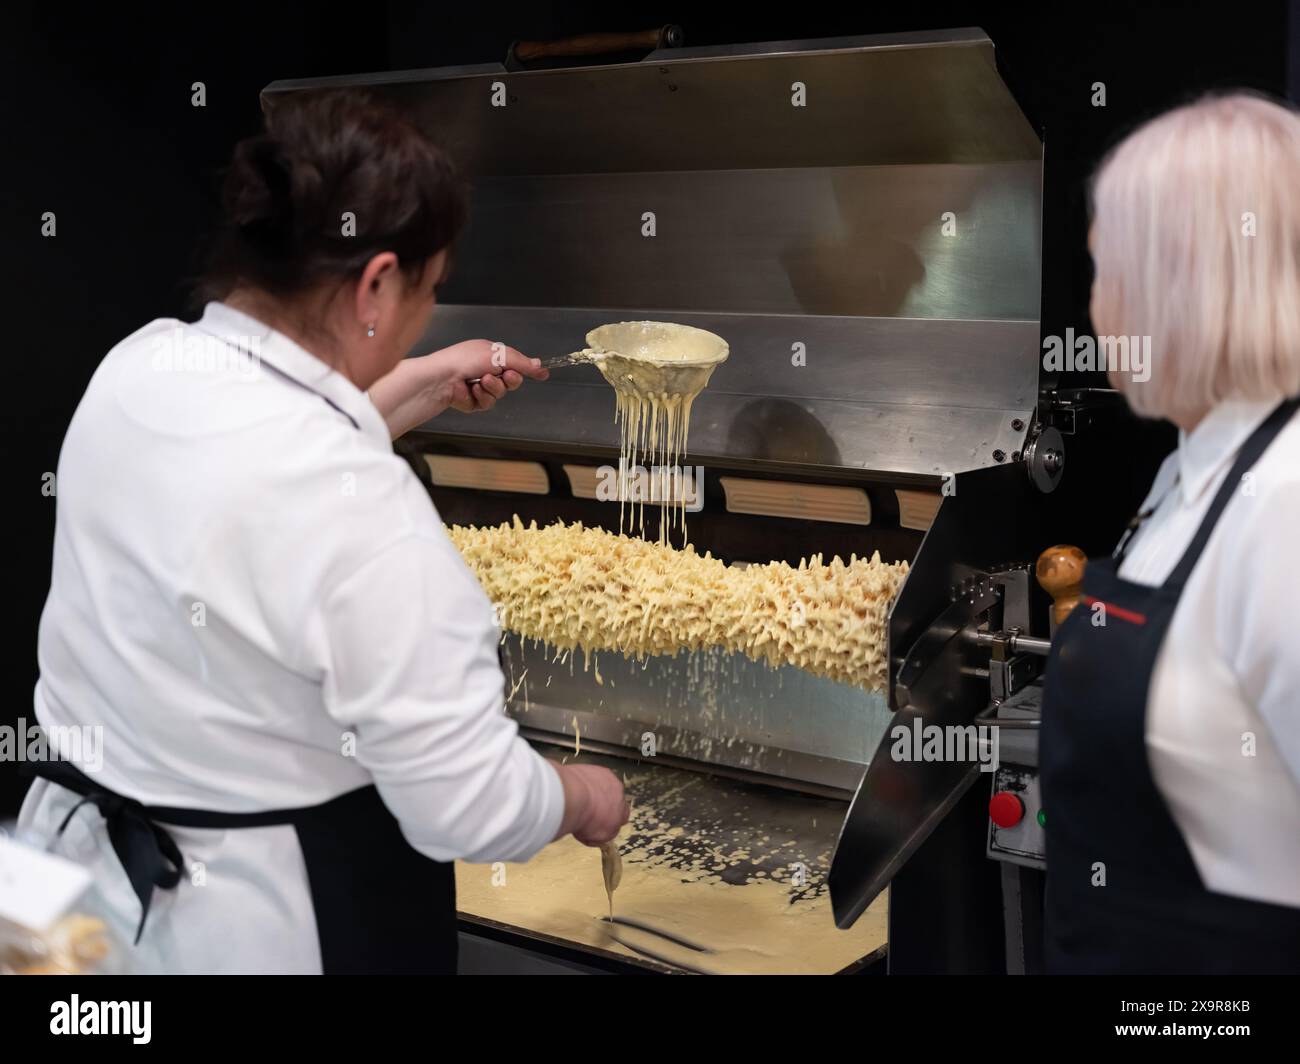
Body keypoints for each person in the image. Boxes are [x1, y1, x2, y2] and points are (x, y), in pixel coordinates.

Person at [18, 90, 627, 974]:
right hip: (244, 926)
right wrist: (576, 794)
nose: (424, 312)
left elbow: (258, 485)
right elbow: (467, 805)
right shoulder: (373, 520)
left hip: (63, 906)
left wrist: (417, 380)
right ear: (377, 282)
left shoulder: (138, 367)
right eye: (429, 289)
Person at [1041, 92, 1300, 973]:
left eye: (1106, 269)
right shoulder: (1188, 473)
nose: (1095, 305)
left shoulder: (1286, 505)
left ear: (1181, 281)